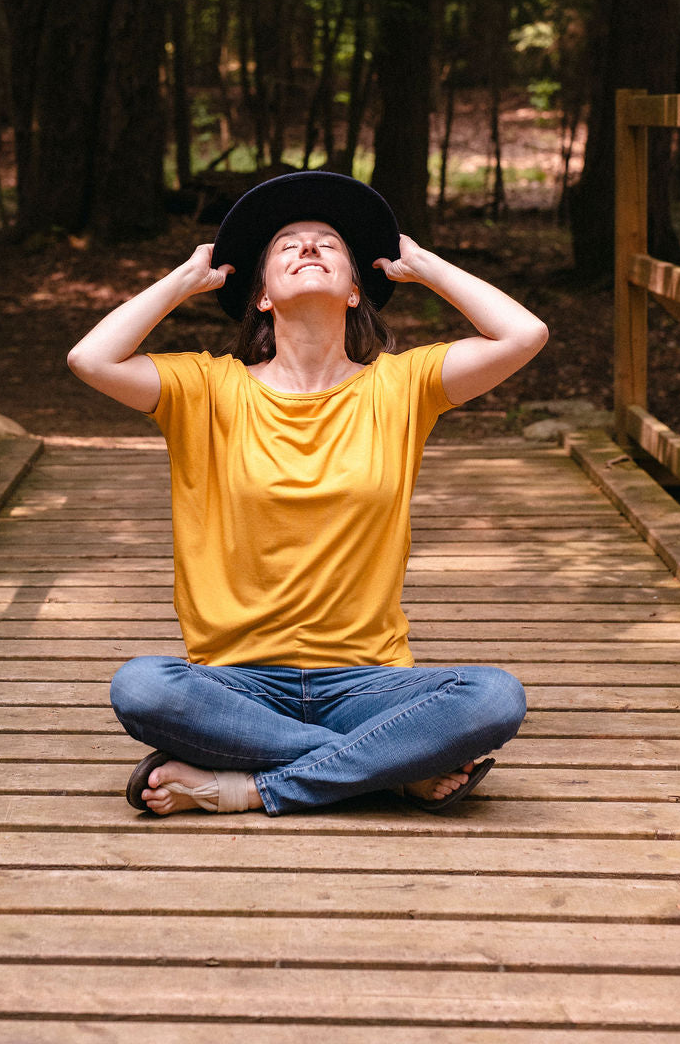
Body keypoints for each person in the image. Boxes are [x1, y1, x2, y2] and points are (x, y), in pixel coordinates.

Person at [67, 171, 548, 818]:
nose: (309, 246)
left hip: (368, 683)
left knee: (494, 697)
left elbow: (524, 335)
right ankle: (388, 769)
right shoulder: (206, 389)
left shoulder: (400, 387)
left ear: (355, 290)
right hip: (233, 683)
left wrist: (426, 266)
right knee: (143, 687)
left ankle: (251, 787)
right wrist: (184, 279)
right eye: (286, 245)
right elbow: (90, 360)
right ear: (262, 295)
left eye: (329, 243)